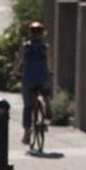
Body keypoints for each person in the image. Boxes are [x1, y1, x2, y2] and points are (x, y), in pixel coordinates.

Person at [18, 19, 54, 153]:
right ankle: (47, 104)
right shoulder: (46, 47)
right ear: (42, 34)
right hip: (43, 77)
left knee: (28, 106)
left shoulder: (25, 47)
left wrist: (14, 71)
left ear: (30, 34)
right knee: (46, 89)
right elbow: (50, 62)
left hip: (28, 79)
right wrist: (50, 70)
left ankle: (27, 132)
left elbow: (19, 60)